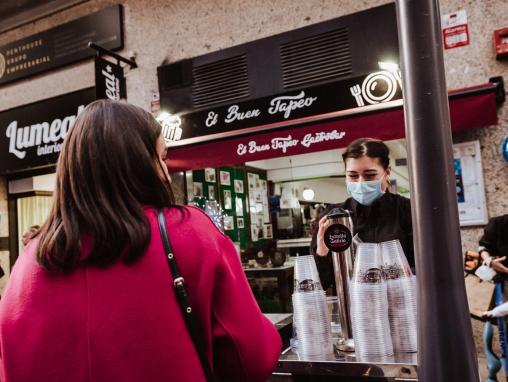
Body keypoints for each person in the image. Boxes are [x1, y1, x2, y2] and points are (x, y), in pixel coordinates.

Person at [0, 100, 281, 382]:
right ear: (136, 166)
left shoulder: (30, 260)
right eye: (161, 158)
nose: (166, 173)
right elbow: (250, 359)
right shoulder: (191, 232)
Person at [310, 138, 414, 290]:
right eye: (352, 176)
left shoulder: (408, 210)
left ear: (387, 172)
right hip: (354, 309)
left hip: (402, 306)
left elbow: (426, 269)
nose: (360, 182)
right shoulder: (334, 218)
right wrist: (322, 252)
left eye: (370, 175)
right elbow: (321, 284)